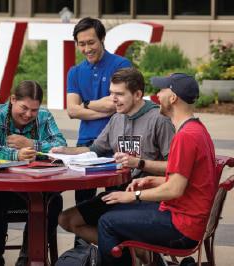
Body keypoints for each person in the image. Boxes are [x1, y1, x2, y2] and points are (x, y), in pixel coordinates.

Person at [85, 73, 216, 265]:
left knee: (107, 222)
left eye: (161, 91)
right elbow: (186, 181)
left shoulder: (186, 136)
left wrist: (133, 195)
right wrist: (151, 180)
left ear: (173, 98)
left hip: (182, 226)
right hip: (187, 218)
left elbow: (175, 189)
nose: (156, 96)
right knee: (114, 212)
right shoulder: (197, 129)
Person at [53, 67, 175, 245]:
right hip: (118, 193)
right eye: (111, 94)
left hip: (146, 198)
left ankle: (132, 250)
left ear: (137, 94)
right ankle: (132, 251)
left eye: (119, 94)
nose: (113, 99)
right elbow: (94, 150)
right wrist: (64, 151)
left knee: (105, 223)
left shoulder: (159, 119)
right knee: (67, 219)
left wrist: (139, 163)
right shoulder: (117, 118)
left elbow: (175, 167)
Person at [0, 80, 67, 266]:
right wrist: (17, 154)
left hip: (33, 188)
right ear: (13, 99)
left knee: (54, 201)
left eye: (34, 110)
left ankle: (28, 259)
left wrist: (32, 144)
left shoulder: (45, 116)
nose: (28, 114)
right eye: (24, 108)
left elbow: (61, 145)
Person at [67, 17, 132, 205]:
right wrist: (102, 108)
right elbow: (72, 110)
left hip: (116, 141)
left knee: (115, 197)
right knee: (83, 199)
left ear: (102, 39)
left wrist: (85, 105)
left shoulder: (121, 65)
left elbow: (116, 104)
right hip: (85, 141)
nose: (87, 49)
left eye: (91, 42)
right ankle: (82, 235)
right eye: (82, 44)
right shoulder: (75, 72)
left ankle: (108, 233)